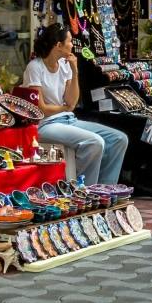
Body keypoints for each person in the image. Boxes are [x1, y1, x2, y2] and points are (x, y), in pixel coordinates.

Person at [24, 25, 129, 184]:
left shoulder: (65, 64)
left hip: (67, 119)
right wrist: (65, 108)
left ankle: (105, 188)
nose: (72, 45)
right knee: (94, 142)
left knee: (119, 139)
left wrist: (75, 70)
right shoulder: (35, 67)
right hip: (45, 124)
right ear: (58, 45)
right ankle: (84, 190)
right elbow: (41, 109)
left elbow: (72, 102)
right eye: (70, 41)